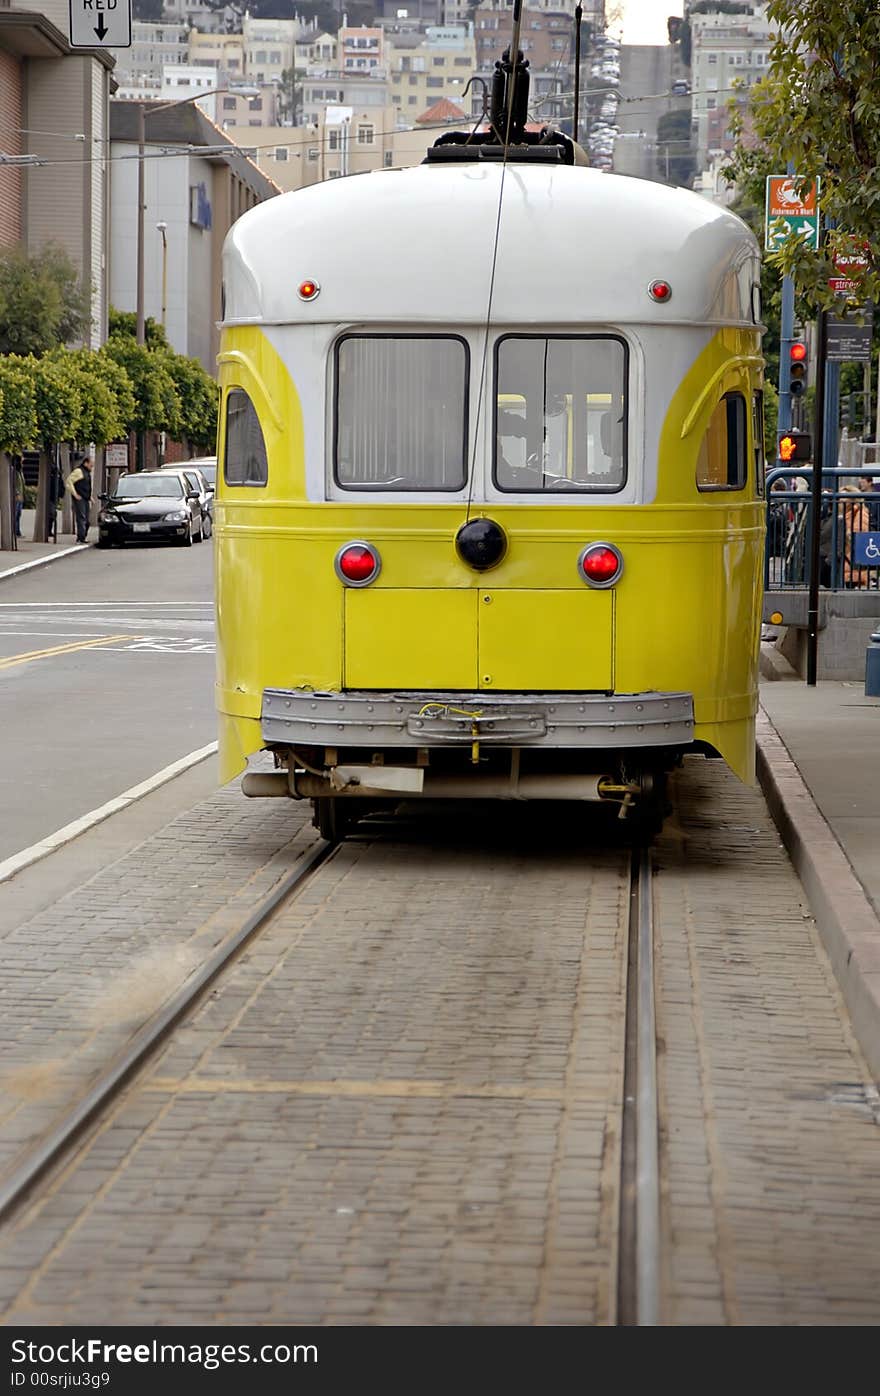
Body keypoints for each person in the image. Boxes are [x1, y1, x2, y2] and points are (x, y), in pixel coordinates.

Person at [66, 455, 92, 544]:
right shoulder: (79, 471)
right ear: (86, 463)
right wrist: (75, 494)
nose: (92, 466)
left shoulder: (86, 472)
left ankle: (82, 536)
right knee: (82, 518)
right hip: (80, 498)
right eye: (91, 464)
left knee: (87, 520)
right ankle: (81, 537)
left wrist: (90, 497)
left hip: (85, 498)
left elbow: (86, 486)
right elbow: (69, 481)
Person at [13, 461, 24, 539]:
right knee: (16, 514)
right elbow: (15, 484)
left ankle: (17, 531)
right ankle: (15, 531)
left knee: (18, 514)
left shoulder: (20, 472)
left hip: (21, 495)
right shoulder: (14, 472)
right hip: (17, 496)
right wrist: (17, 494)